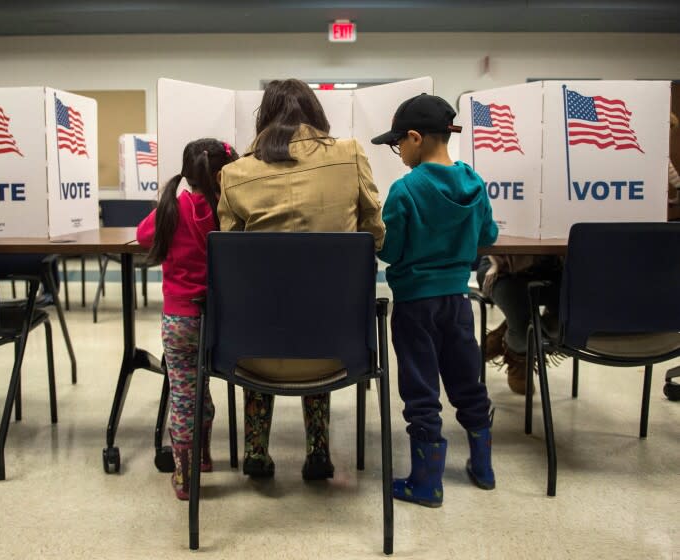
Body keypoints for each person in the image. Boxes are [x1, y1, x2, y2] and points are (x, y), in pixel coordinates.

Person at [218, 78, 385, 480]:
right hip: (337, 348)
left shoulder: (234, 173)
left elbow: (226, 257)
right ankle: (319, 451)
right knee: (319, 307)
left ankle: (256, 451)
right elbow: (375, 234)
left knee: (264, 309)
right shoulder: (350, 155)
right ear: (316, 113)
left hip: (252, 351)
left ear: (264, 118)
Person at [372, 93, 498, 507]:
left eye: (398, 144)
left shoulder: (406, 189)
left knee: (421, 389)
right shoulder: (475, 182)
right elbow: (487, 238)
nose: (399, 152)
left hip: (414, 306)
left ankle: (427, 483)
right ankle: (483, 467)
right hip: (458, 301)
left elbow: (390, 251)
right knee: (468, 381)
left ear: (415, 138)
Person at [136, 138, 239, 500]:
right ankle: (205, 457)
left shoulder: (173, 207)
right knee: (205, 389)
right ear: (220, 175)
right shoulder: (226, 211)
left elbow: (142, 234)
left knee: (184, 395)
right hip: (220, 324)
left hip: (178, 320)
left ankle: (186, 475)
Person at [476, 255, 562, 394]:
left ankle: (502, 337)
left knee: (571, 325)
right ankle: (519, 354)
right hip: (503, 270)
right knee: (523, 335)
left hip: (554, 269)